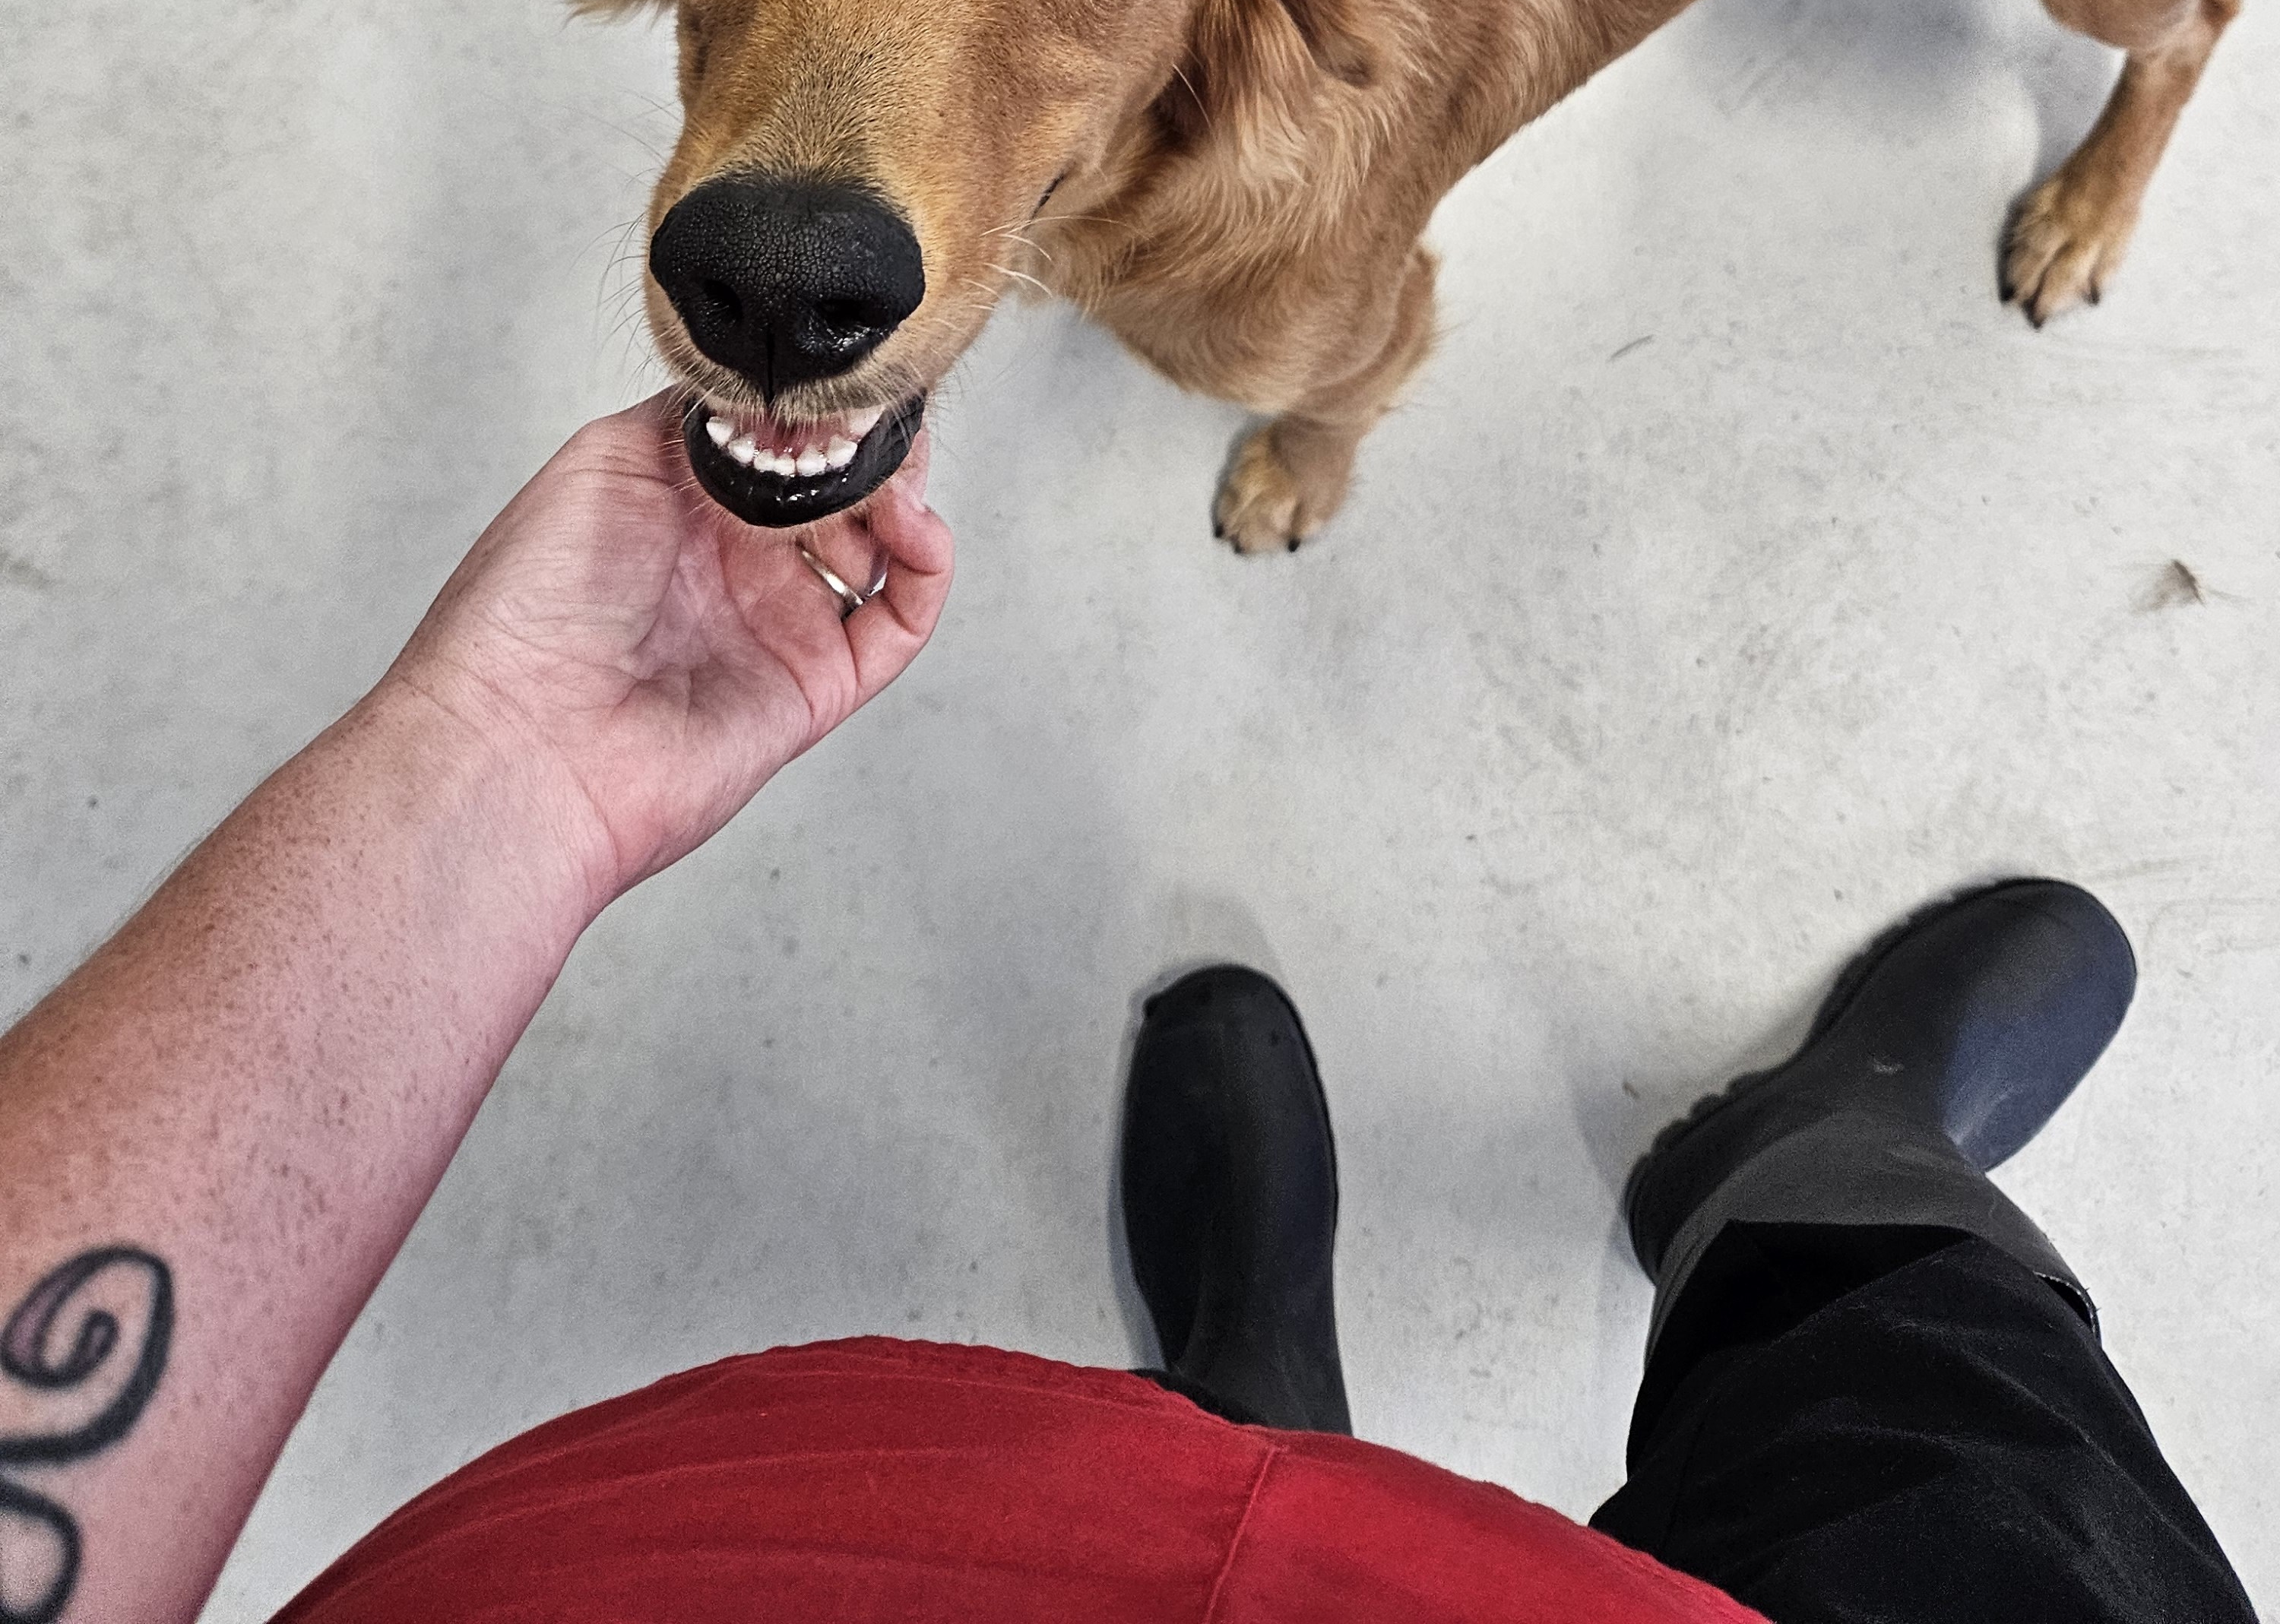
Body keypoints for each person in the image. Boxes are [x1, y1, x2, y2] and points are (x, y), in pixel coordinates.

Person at [0, 407, 2254, 1623]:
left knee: (1913, 1416)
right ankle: (1833, 1184)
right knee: (1982, 1462)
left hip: (908, 1565)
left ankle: (1269, 1413)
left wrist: (504, 769)